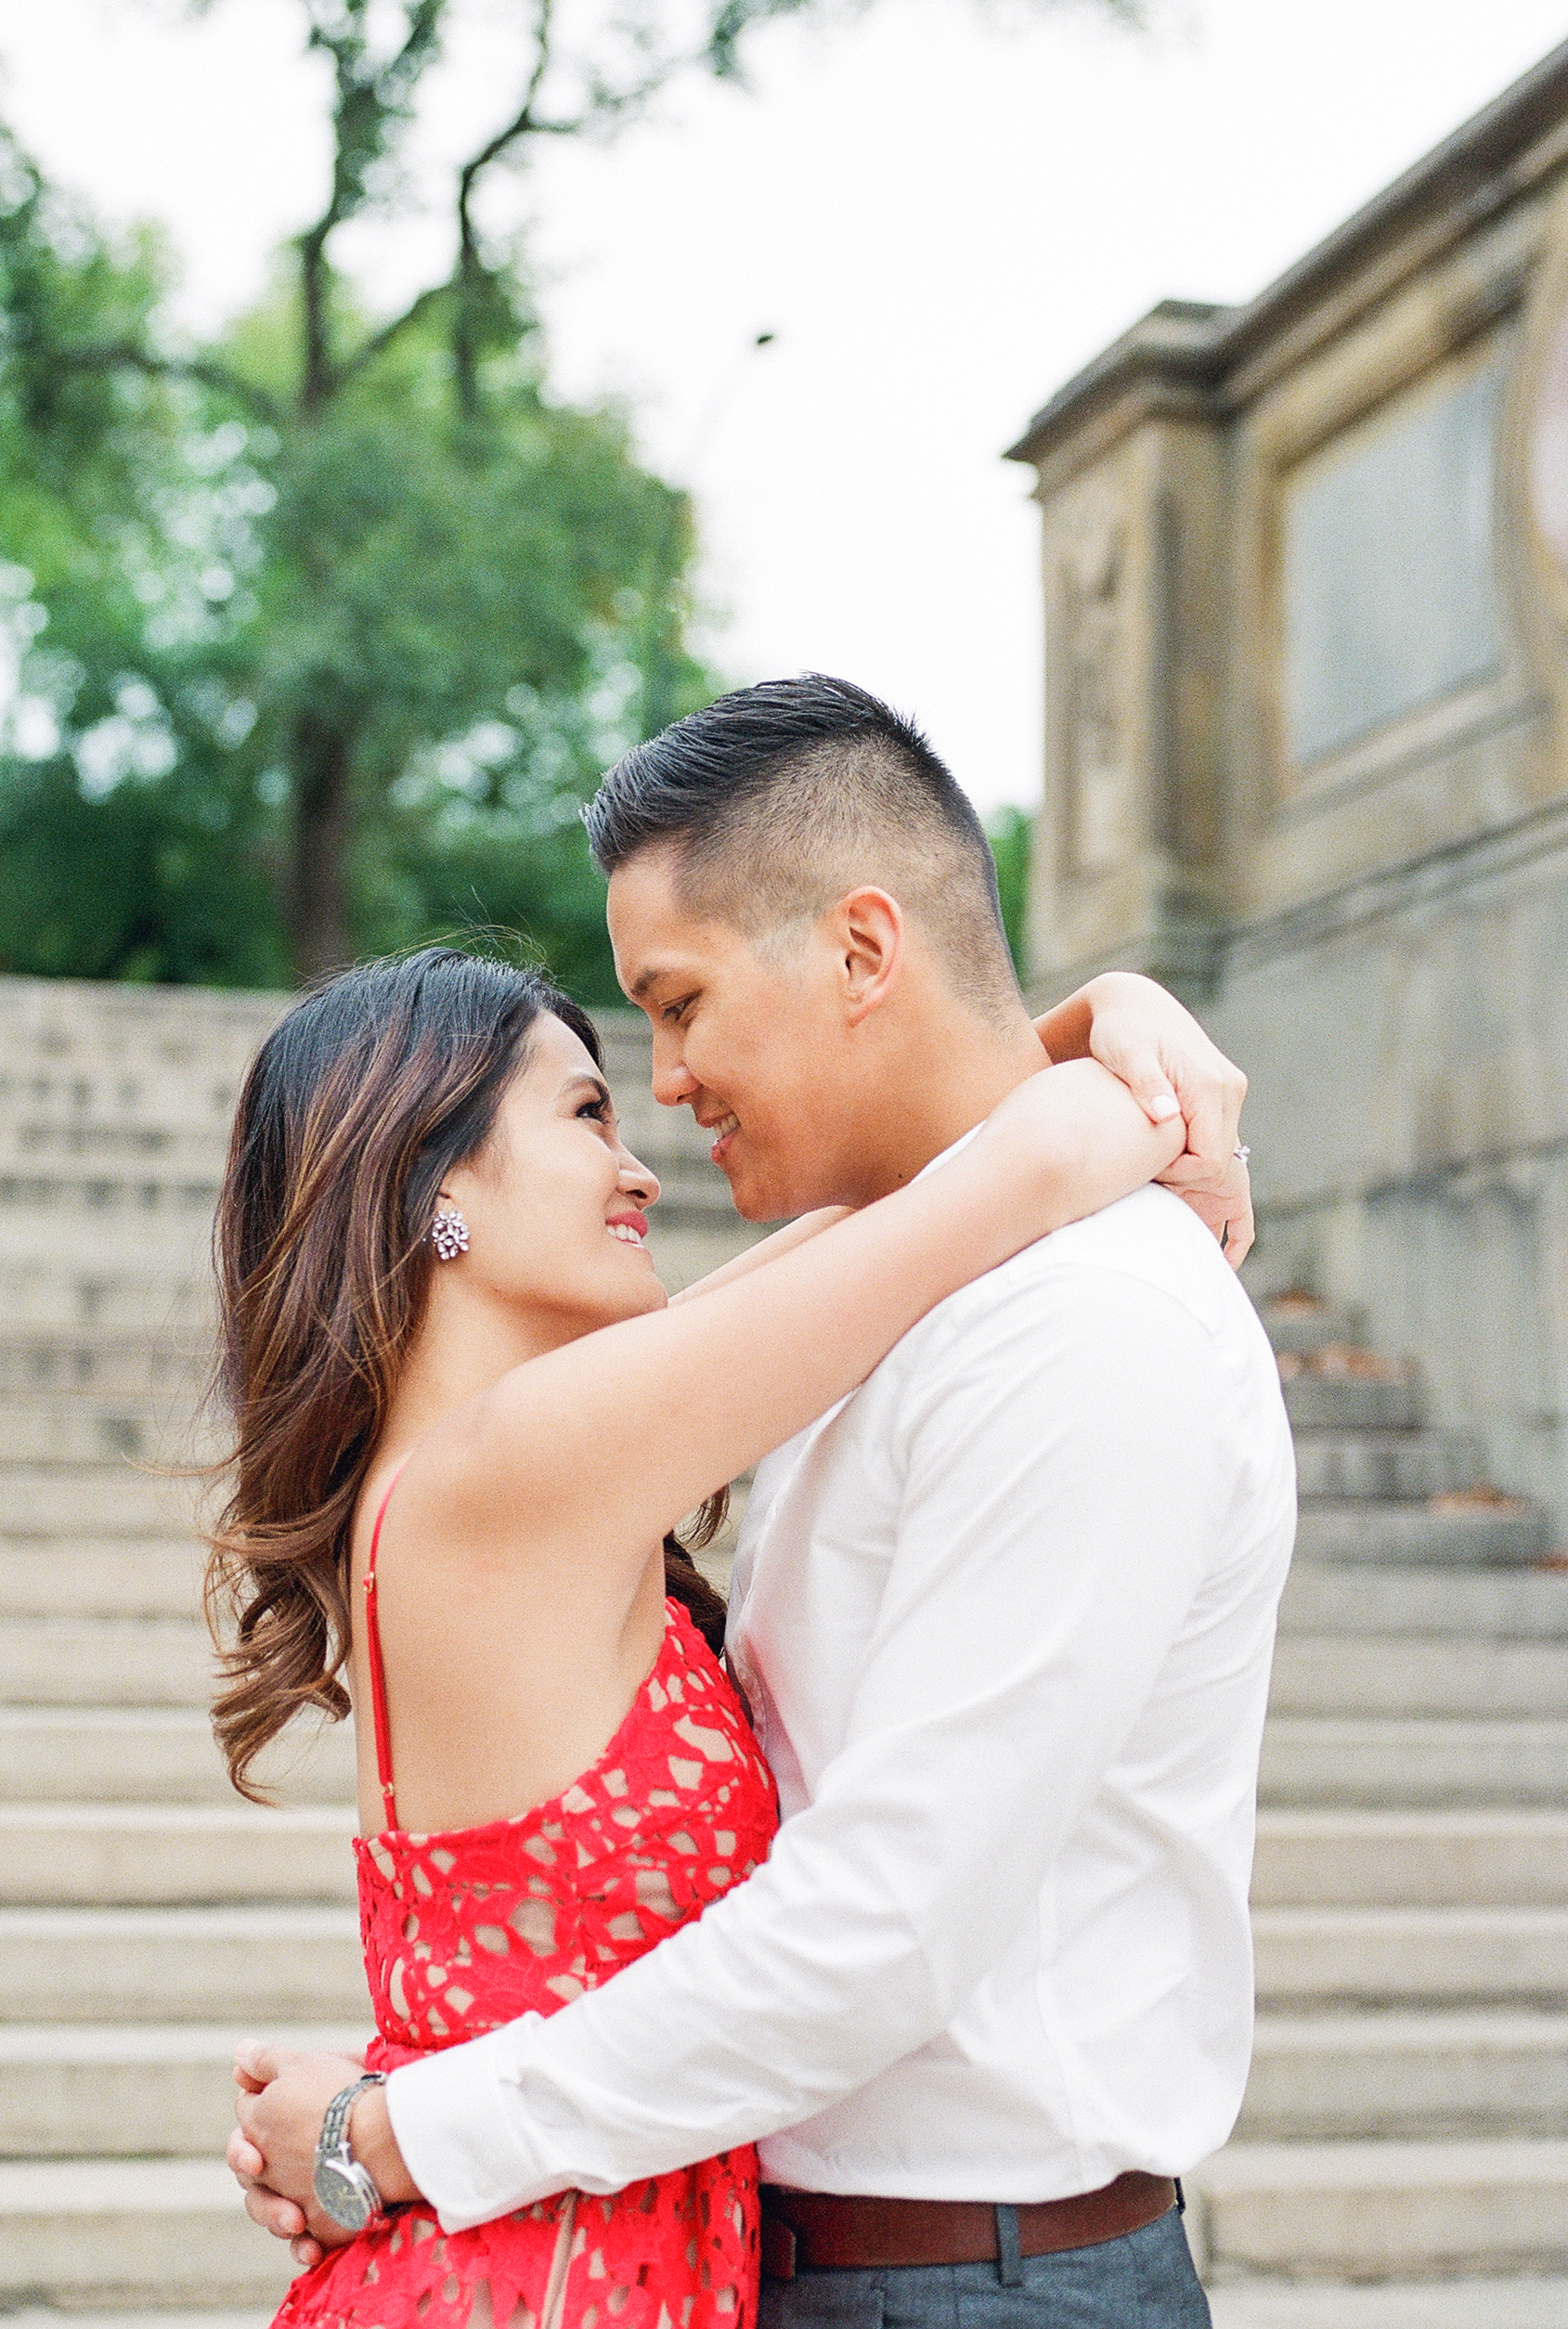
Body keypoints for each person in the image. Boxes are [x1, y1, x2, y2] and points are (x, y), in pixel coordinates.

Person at [226, 677, 1294, 2329]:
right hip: (639, 2254)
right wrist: (1099, 1056)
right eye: (591, 1089)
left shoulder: (1079, 1312)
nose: (660, 1099)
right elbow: (988, 1179)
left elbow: (882, 1924)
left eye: (677, 1003)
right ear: (438, 1194)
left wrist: (396, 2127)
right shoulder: (573, 1439)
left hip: (963, 2280)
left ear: (862, 952)